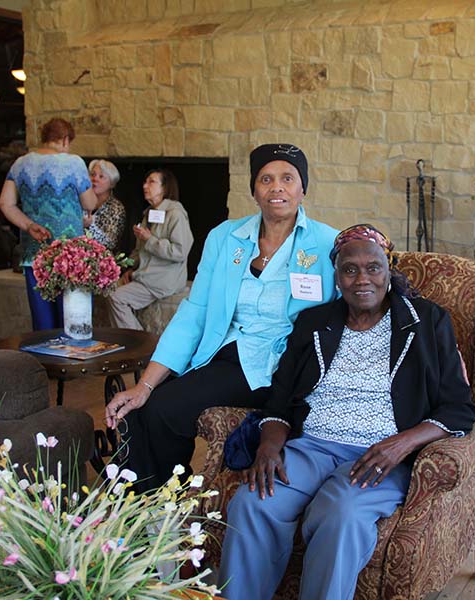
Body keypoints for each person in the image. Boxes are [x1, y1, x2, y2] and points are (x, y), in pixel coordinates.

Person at [218, 224, 475, 600]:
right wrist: (270, 445)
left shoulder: (426, 322)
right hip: (312, 447)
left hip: (379, 456)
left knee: (341, 514)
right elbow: (280, 399)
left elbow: (460, 408)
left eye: (373, 268)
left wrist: (401, 444)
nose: (362, 279)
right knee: (253, 503)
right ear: (336, 276)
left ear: (388, 270)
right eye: (349, 269)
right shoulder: (314, 323)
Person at [104, 143, 339, 491]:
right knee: (143, 405)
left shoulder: (328, 243)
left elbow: (354, 307)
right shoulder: (226, 237)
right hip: (223, 354)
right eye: (266, 179)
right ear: (254, 190)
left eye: (288, 178)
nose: (277, 187)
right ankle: (149, 502)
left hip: (280, 367)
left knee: (163, 409)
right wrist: (144, 385)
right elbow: (195, 312)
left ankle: (153, 503)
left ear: (302, 188)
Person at [0, 117, 97, 330]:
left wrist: (28, 225)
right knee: (73, 321)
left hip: (34, 255)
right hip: (70, 256)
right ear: (65, 140)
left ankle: (44, 353)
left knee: (43, 324)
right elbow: (90, 203)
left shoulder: (20, 164)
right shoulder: (74, 163)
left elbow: (5, 204)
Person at [108, 168, 192, 330]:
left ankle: (138, 341)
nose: (145, 186)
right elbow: (141, 251)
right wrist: (130, 268)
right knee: (109, 288)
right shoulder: (149, 213)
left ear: (164, 188)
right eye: (145, 182)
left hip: (162, 280)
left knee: (116, 297)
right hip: (146, 275)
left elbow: (180, 252)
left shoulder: (175, 214)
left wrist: (149, 239)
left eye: (151, 182)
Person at [84, 159, 126, 252]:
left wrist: (90, 226)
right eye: (92, 175)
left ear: (112, 184)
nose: (95, 179)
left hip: (102, 258)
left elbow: (110, 243)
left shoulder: (116, 208)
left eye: (101, 176)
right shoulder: (82, 201)